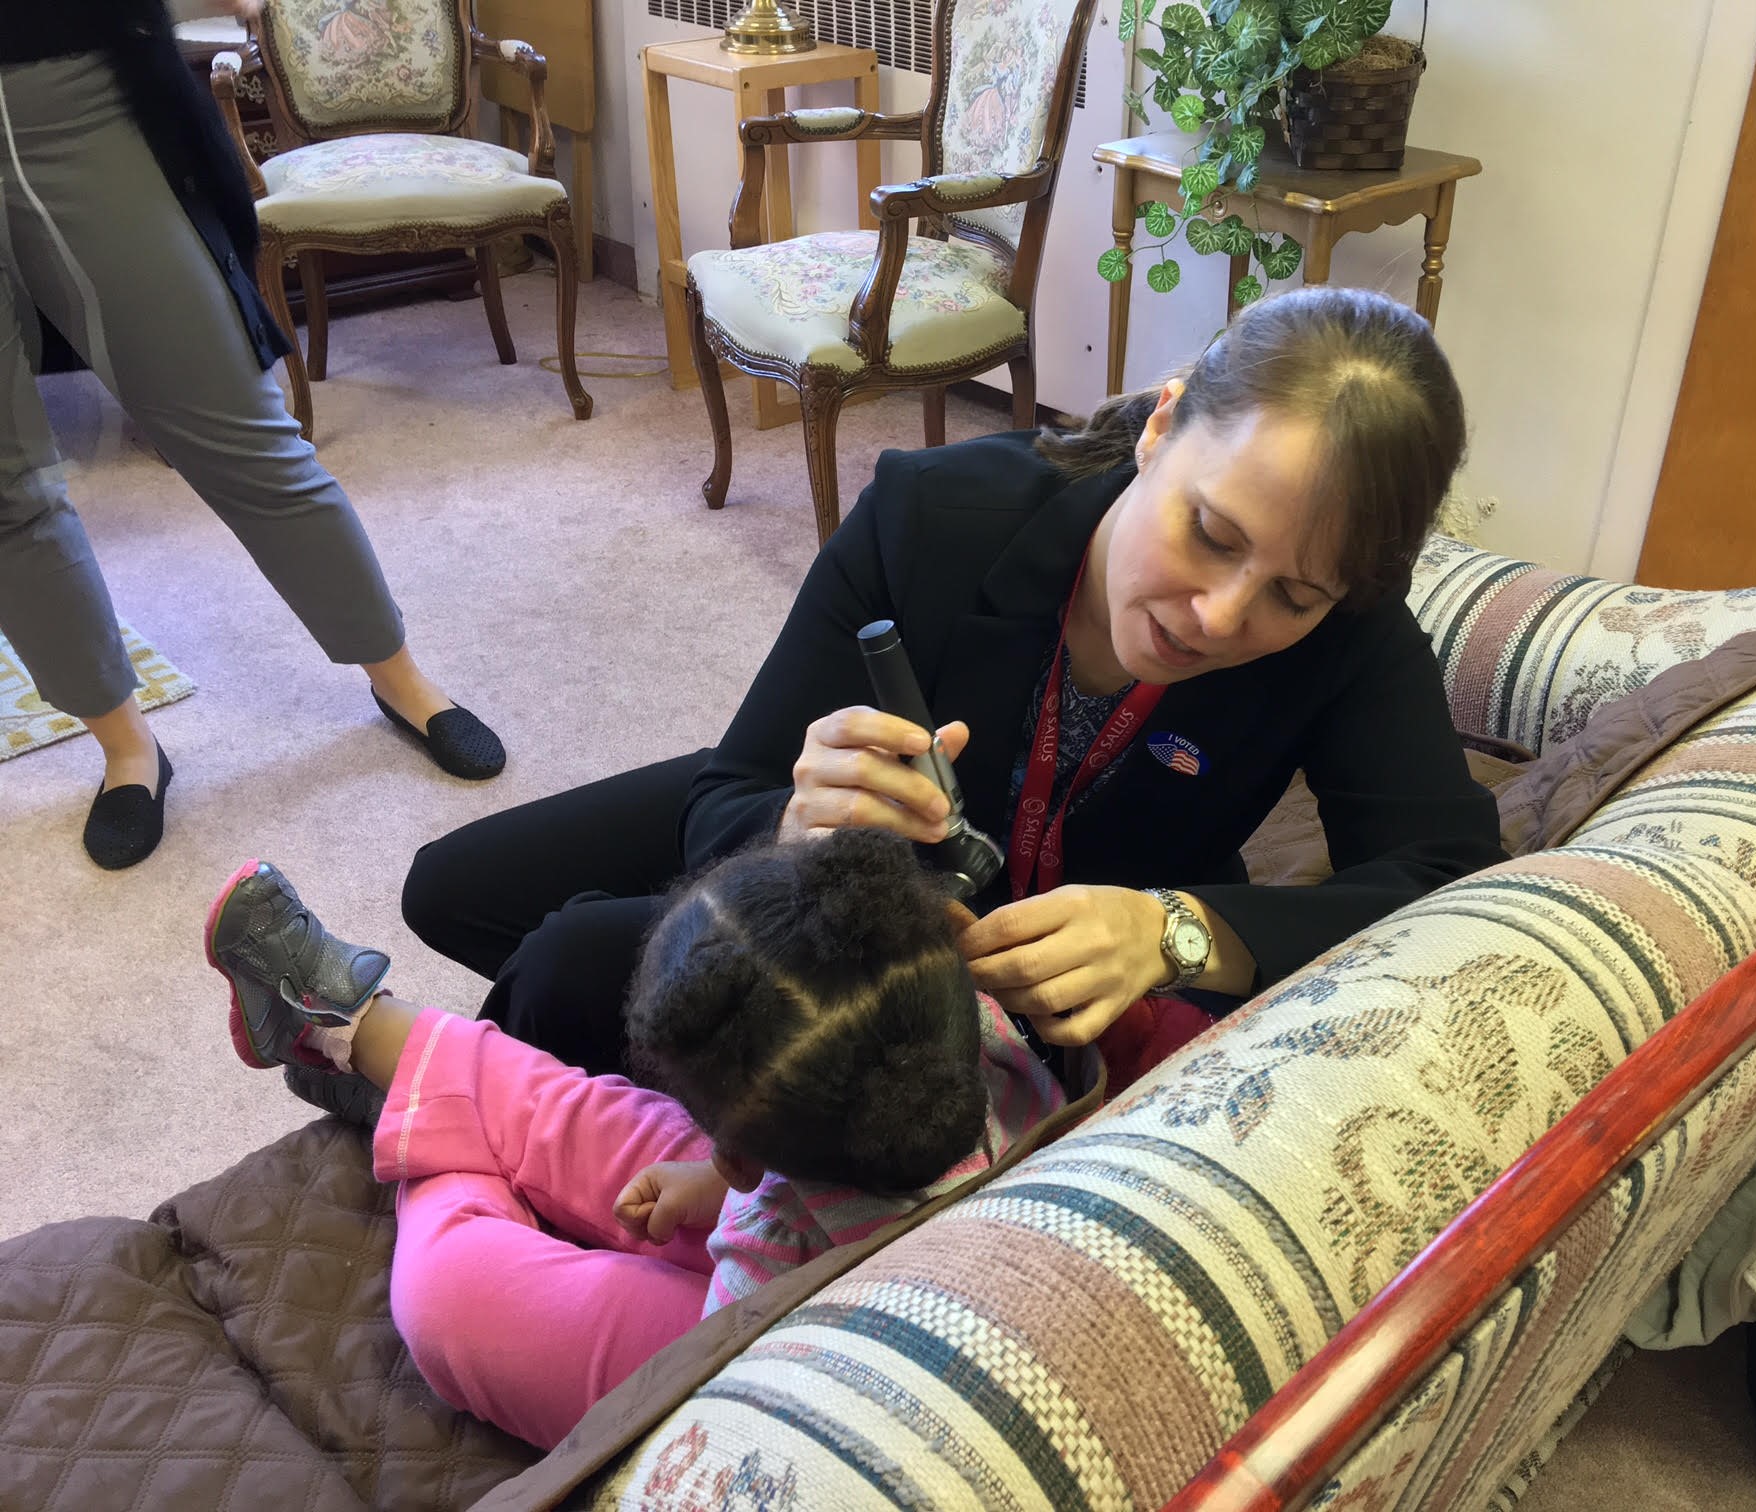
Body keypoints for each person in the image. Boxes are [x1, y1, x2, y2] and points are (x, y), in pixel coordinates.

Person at [403, 286, 1507, 1077]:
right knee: (449, 886)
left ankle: (496, 1098)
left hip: (974, 945)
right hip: (851, 848)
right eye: (1211, 533)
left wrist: (1180, 931)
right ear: (1162, 427)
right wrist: (793, 819)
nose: (1222, 616)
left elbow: (1457, 884)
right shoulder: (930, 512)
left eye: (1294, 596)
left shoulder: (1349, 626)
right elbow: (729, 798)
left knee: (570, 961)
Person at [204, 830, 1067, 1450]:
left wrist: (732, 1191)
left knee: (456, 1299)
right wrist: (717, 1180)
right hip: (824, 1200)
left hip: (798, 1337)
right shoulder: (979, 1031)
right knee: (603, 1125)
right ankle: (348, 1024)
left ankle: (401, 1111)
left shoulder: (746, 1302)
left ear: (741, 1156)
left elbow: (713, 1418)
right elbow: (786, 1178)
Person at [0, 0, 505, 872]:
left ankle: (399, 678)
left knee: (241, 428)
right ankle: (128, 748)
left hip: (74, 89)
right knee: (7, 493)